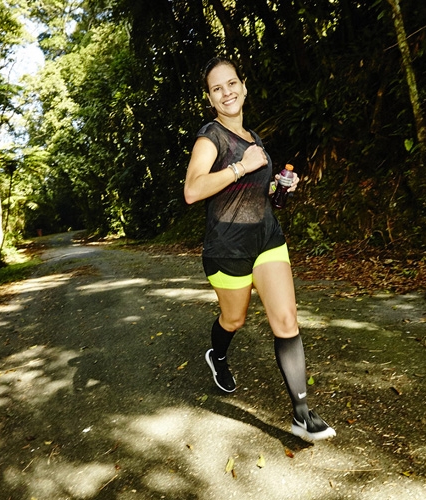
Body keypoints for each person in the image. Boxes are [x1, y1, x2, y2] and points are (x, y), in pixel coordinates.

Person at [184, 56, 335, 442]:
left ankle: (302, 413)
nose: (227, 92)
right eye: (217, 88)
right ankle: (217, 354)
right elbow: (192, 191)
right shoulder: (210, 137)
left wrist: (280, 187)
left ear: (244, 87)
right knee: (233, 320)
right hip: (227, 249)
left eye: (231, 83)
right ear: (211, 98)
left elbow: (255, 194)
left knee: (285, 319)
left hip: (267, 239)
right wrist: (240, 168)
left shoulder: (255, 140)